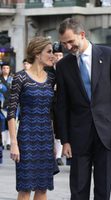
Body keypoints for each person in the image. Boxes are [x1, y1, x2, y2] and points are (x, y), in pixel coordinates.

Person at [56, 18, 111, 200]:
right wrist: (65, 140)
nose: (67, 47)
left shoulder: (109, 54)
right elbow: (62, 105)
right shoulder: (64, 65)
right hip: (78, 136)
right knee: (78, 190)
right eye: (63, 43)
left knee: (103, 190)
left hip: (108, 134)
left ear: (82, 35)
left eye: (70, 41)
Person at [7, 36, 59, 200]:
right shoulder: (20, 78)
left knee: (42, 188)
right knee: (25, 188)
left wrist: (54, 142)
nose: (53, 55)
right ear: (37, 53)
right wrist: (14, 143)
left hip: (45, 138)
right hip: (26, 138)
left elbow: (52, 111)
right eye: (49, 52)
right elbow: (11, 111)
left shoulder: (51, 78)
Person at [52, 41, 64, 166]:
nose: (58, 58)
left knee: (59, 130)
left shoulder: (66, 69)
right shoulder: (48, 70)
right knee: (50, 130)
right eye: (56, 55)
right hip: (49, 105)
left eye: (60, 55)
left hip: (61, 104)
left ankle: (59, 156)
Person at [0, 64, 13, 151]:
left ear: (9, 69)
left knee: (10, 123)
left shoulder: (13, 79)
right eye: (4, 68)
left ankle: (8, 143)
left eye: (7, 68)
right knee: (2, 123)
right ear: (1, 69)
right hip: (1, 104)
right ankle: (3, 142)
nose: (5, 69)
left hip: (11, 103)